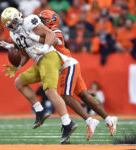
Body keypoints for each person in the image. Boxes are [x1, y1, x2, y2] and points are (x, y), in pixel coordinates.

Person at [0, 7, 77, 144]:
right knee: (19, 82)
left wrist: (44, 48)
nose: (13, 26)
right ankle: (40, 111)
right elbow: (24, 54)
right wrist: (17, 67)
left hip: (49, 56)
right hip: (39, 62)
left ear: (19, 17)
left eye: (14, 22)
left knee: (50, 91)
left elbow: (50, 35)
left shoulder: (30, 21)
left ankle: (67, 123)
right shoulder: (13, 35)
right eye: (9, 25)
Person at [38, 10, 118, 140]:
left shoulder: (54, 31)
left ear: (49, 22)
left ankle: (89, 120)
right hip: (70, 64)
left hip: (67, 65)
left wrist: (30, 36)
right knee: (84, 95)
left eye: (42, 20)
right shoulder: (48, 32)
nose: (40, 23)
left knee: (65, 95)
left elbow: (48, 40)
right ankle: (109, 119)